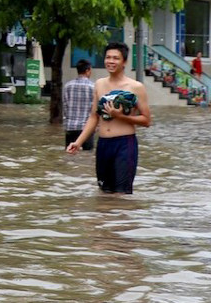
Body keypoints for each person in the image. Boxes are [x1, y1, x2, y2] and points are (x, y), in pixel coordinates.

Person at [66, 42, 151, 194]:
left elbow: (146, 120)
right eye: (108, 57)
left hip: (125, 144)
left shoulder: (135, 87)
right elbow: (94, 117)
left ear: (124, 62)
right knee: (104, 193)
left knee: (121, 194)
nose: (111, 61)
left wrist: (120, 116)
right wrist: (78, 142)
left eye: (116, 58)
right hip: (103, 144)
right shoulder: (99, 84)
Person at [62, 59, 96, 151]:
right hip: (86, 129)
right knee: (87, 157)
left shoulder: (68, 86)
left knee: (70, 154)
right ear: (87, 70)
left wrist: (66, 124)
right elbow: (95, 110)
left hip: (70, 127)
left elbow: (65, 107)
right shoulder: (93, 87)